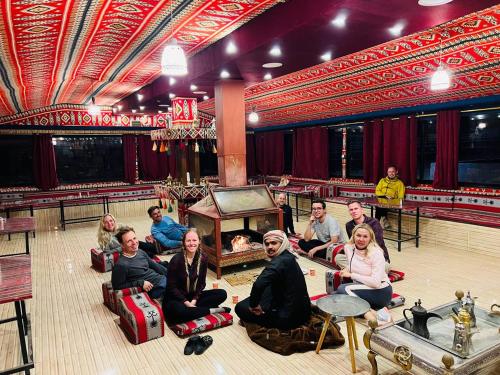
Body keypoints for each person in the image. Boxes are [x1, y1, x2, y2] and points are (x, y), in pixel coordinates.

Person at [235, 230, 311, 329]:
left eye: (274, 243)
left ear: (283, 244)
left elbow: (258, 284)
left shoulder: (279, 262)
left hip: (287, 320)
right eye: (267, 244)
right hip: (304, 312)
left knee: (240, 307)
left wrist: (254, 305)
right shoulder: (289, 256)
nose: (270, 247)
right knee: (267, 288)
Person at [162, 229, 228, 324]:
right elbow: (171, 287)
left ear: (199, 242)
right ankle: (212, 311)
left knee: (222, 294)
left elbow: (202, 284)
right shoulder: (176, 260)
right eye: (188, 241)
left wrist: (194, 300)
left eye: (194, 240)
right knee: (178, 312)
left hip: (192, 297)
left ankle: (194, 311)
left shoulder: (203, 258)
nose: (191, 243)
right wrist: (187, 303)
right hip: (176, 298)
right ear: (184, 243)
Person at [336, 223, 393, 324]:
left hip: (381, 291)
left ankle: (372, 318)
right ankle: (378, 313)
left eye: (365, 236)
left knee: (343, 289)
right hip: (364, 290)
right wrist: (347, 269)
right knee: (338, 296)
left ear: (370, 238)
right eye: (358, 235)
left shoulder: (376, 253)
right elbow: (353, 264)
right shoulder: (348, 248)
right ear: (353, 236)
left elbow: (375, 283)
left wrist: (351, 275)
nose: (361, 239)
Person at [111, 226, 168, 299]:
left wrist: (171, 274)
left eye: (134, 238)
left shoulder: (140, 252)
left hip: (163, 280)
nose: (134, 242)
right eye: (129, 241)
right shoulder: (121, 265)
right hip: (156, 289)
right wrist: (140, 283)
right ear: (122, 245)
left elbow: (155, 266)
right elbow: (117, 286)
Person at [335, 200, 391, 272]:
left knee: (386, 266)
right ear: (349, 212)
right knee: (338, 258)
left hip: (373, 255)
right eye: (351, 210)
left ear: (362, 210)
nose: (354, 211)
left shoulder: (374, 222)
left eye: (356, 208)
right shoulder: (349, 225)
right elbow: (353, 243)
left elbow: (377, 244)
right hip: (359, 256)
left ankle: (357, 271)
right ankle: (364, 272)